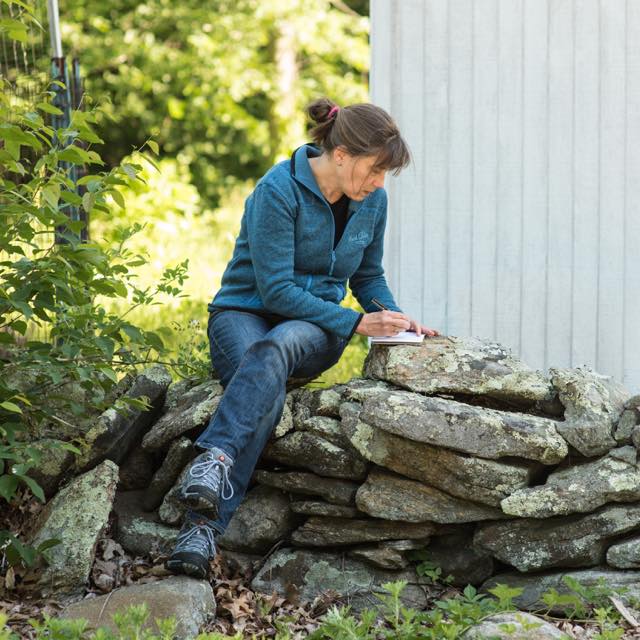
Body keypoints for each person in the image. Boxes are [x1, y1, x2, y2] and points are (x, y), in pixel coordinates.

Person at [165, 97, 440, 579]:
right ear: (341, 154)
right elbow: (275, 289)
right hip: (241, 314)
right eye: (374, 171)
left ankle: (213, 461)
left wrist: (392, 317)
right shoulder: (277, 189)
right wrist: (356, 324)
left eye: (383, 176)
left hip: (314, 330)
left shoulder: (371, 201)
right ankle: (202, 528)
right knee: (264, 374)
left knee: (276, 349)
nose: (378, 184)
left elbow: (368, 276)